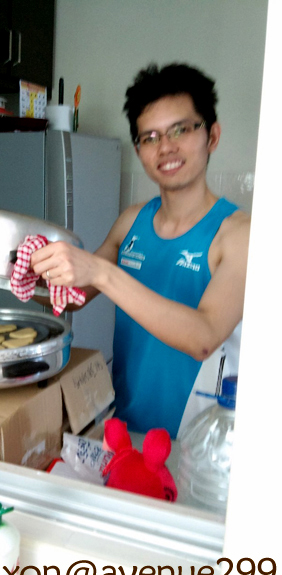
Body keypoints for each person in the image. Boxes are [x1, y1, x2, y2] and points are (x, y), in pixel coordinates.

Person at [30, 63, 250, 439]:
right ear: (138, 149)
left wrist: (102, 272)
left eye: (180, 130)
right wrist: (21, 274)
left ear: (212, 136)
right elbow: (72, 297)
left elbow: (204, 337)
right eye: (150, 137)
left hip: (198, 443)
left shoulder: (239, 234)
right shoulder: (131, 222)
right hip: (126, 432)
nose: (166, 147)